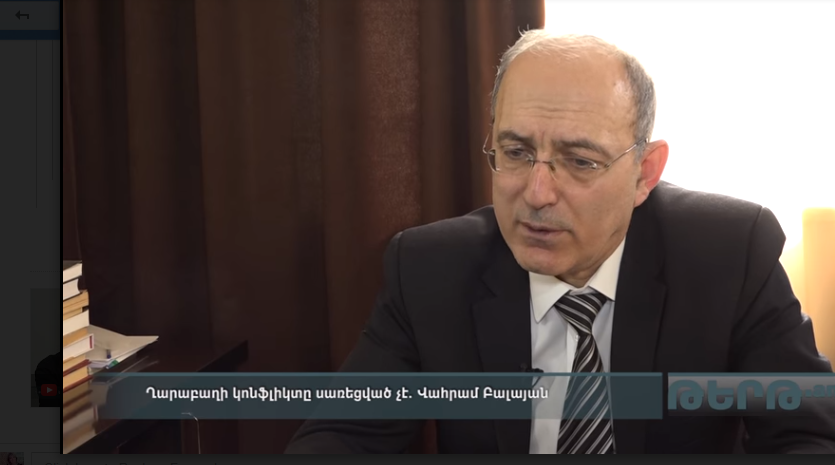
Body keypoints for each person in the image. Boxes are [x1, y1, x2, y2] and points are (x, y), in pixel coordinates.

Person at [285, 30, 835, 454]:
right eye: (516, 152)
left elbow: (809, 436)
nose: (538, 194)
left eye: (580, 161)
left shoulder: (730, 254)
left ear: (645, 172)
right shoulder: (429, 269)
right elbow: (341, 435)